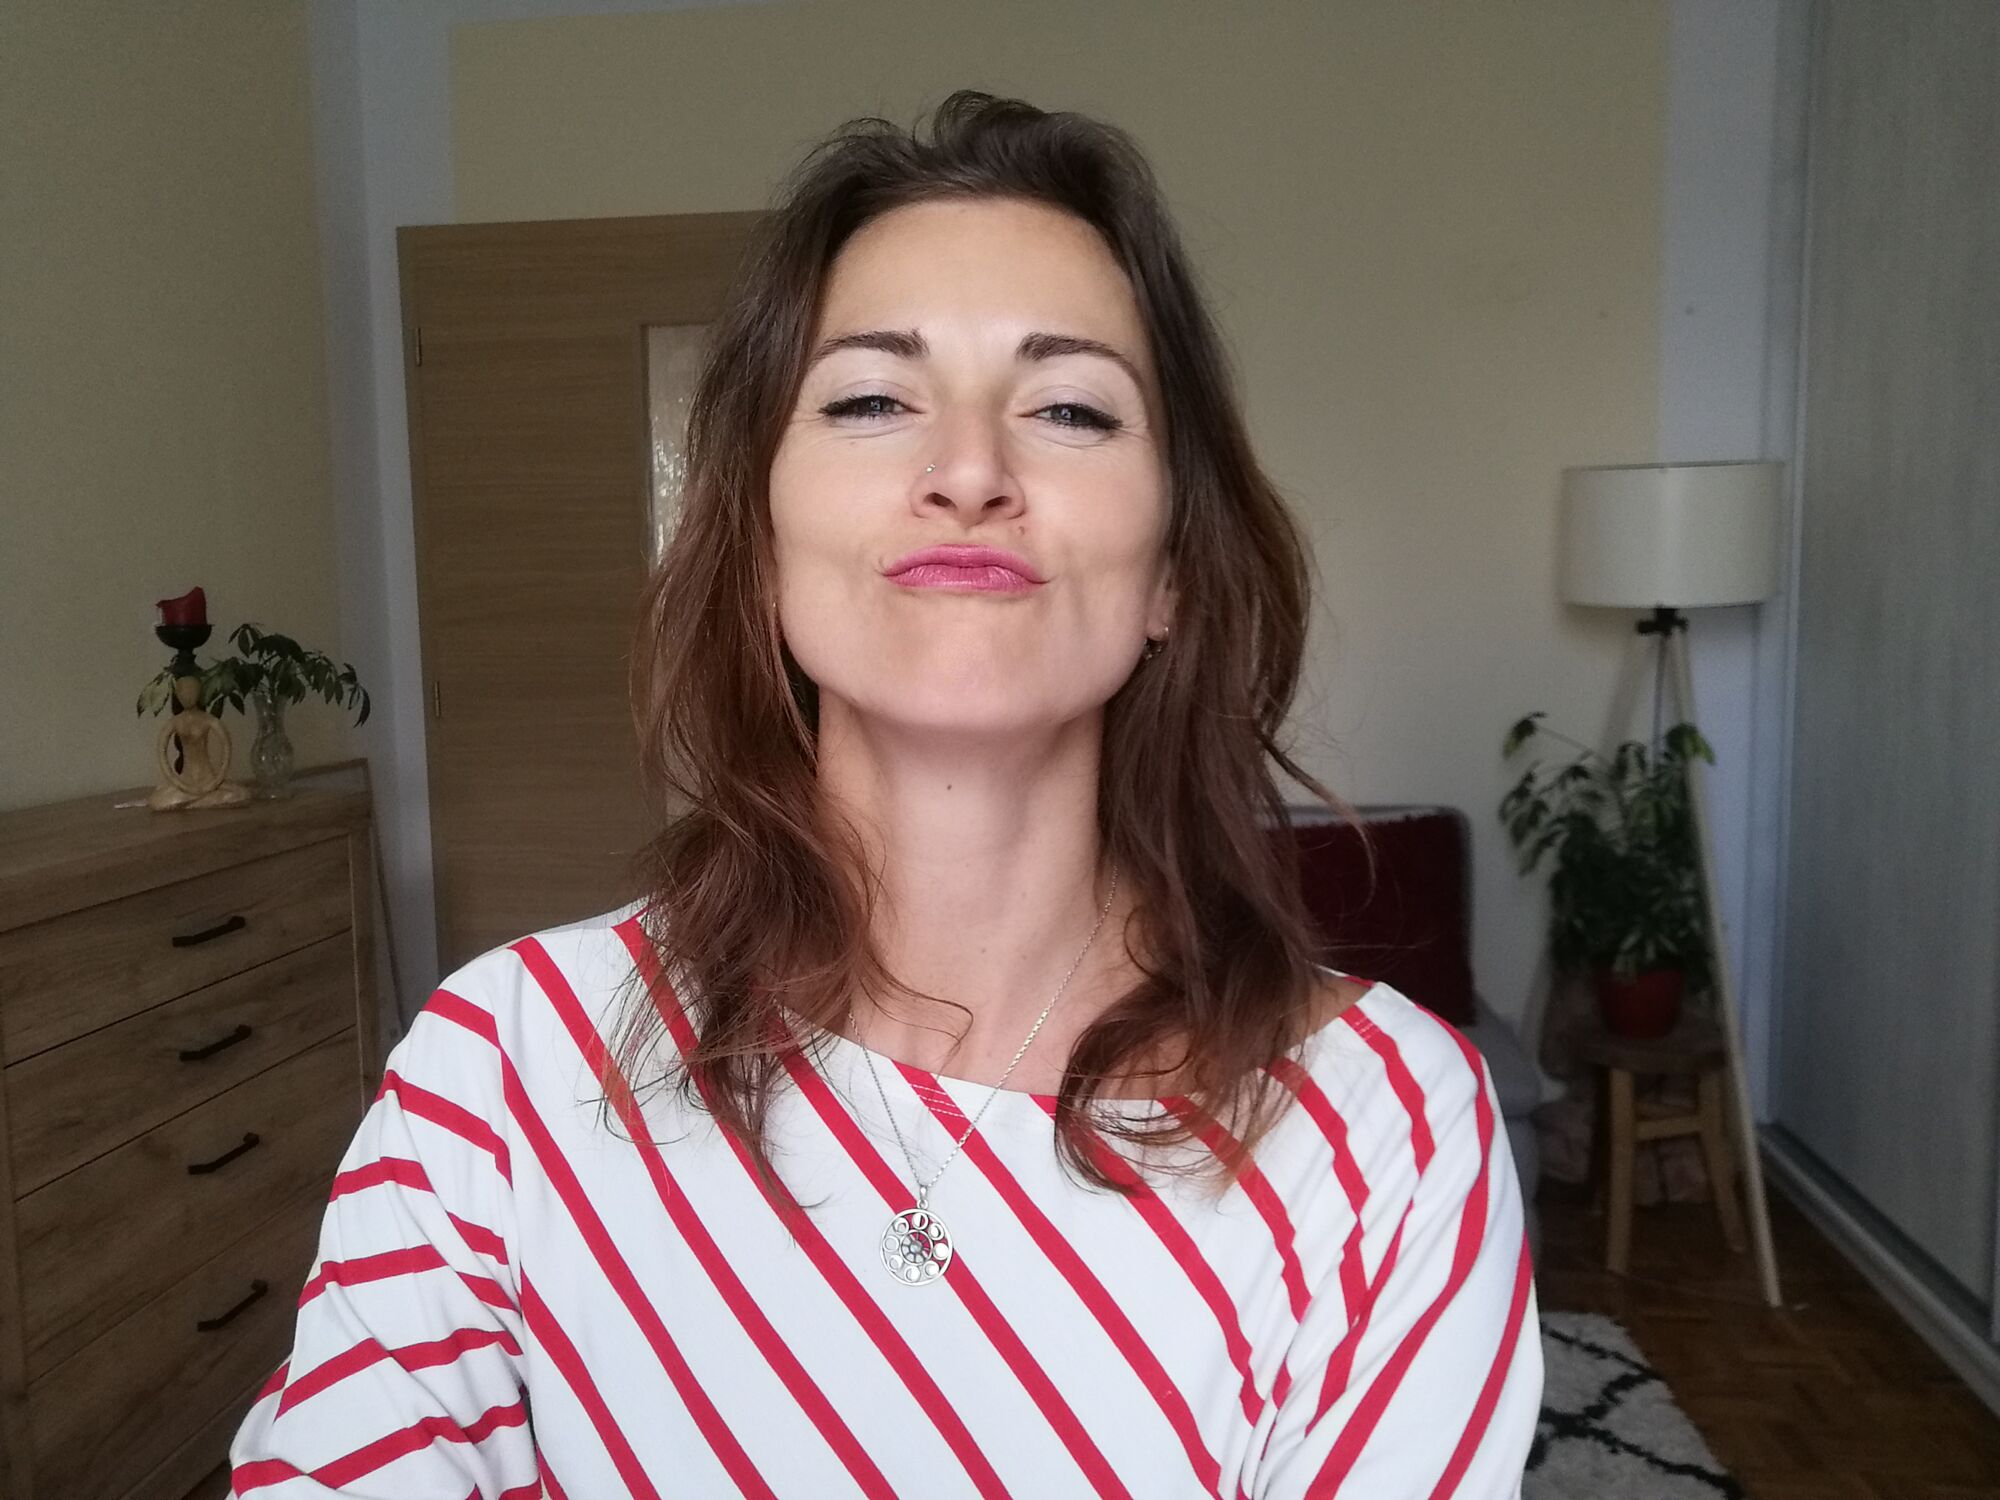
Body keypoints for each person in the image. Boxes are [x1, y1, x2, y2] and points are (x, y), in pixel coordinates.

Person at [231, 89, 1541, 1497]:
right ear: (760, 538)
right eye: (870, 400)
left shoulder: (1390, 1131)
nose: (969, 471)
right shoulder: (502, 1070)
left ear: (1172, 568)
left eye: (1070, 408)